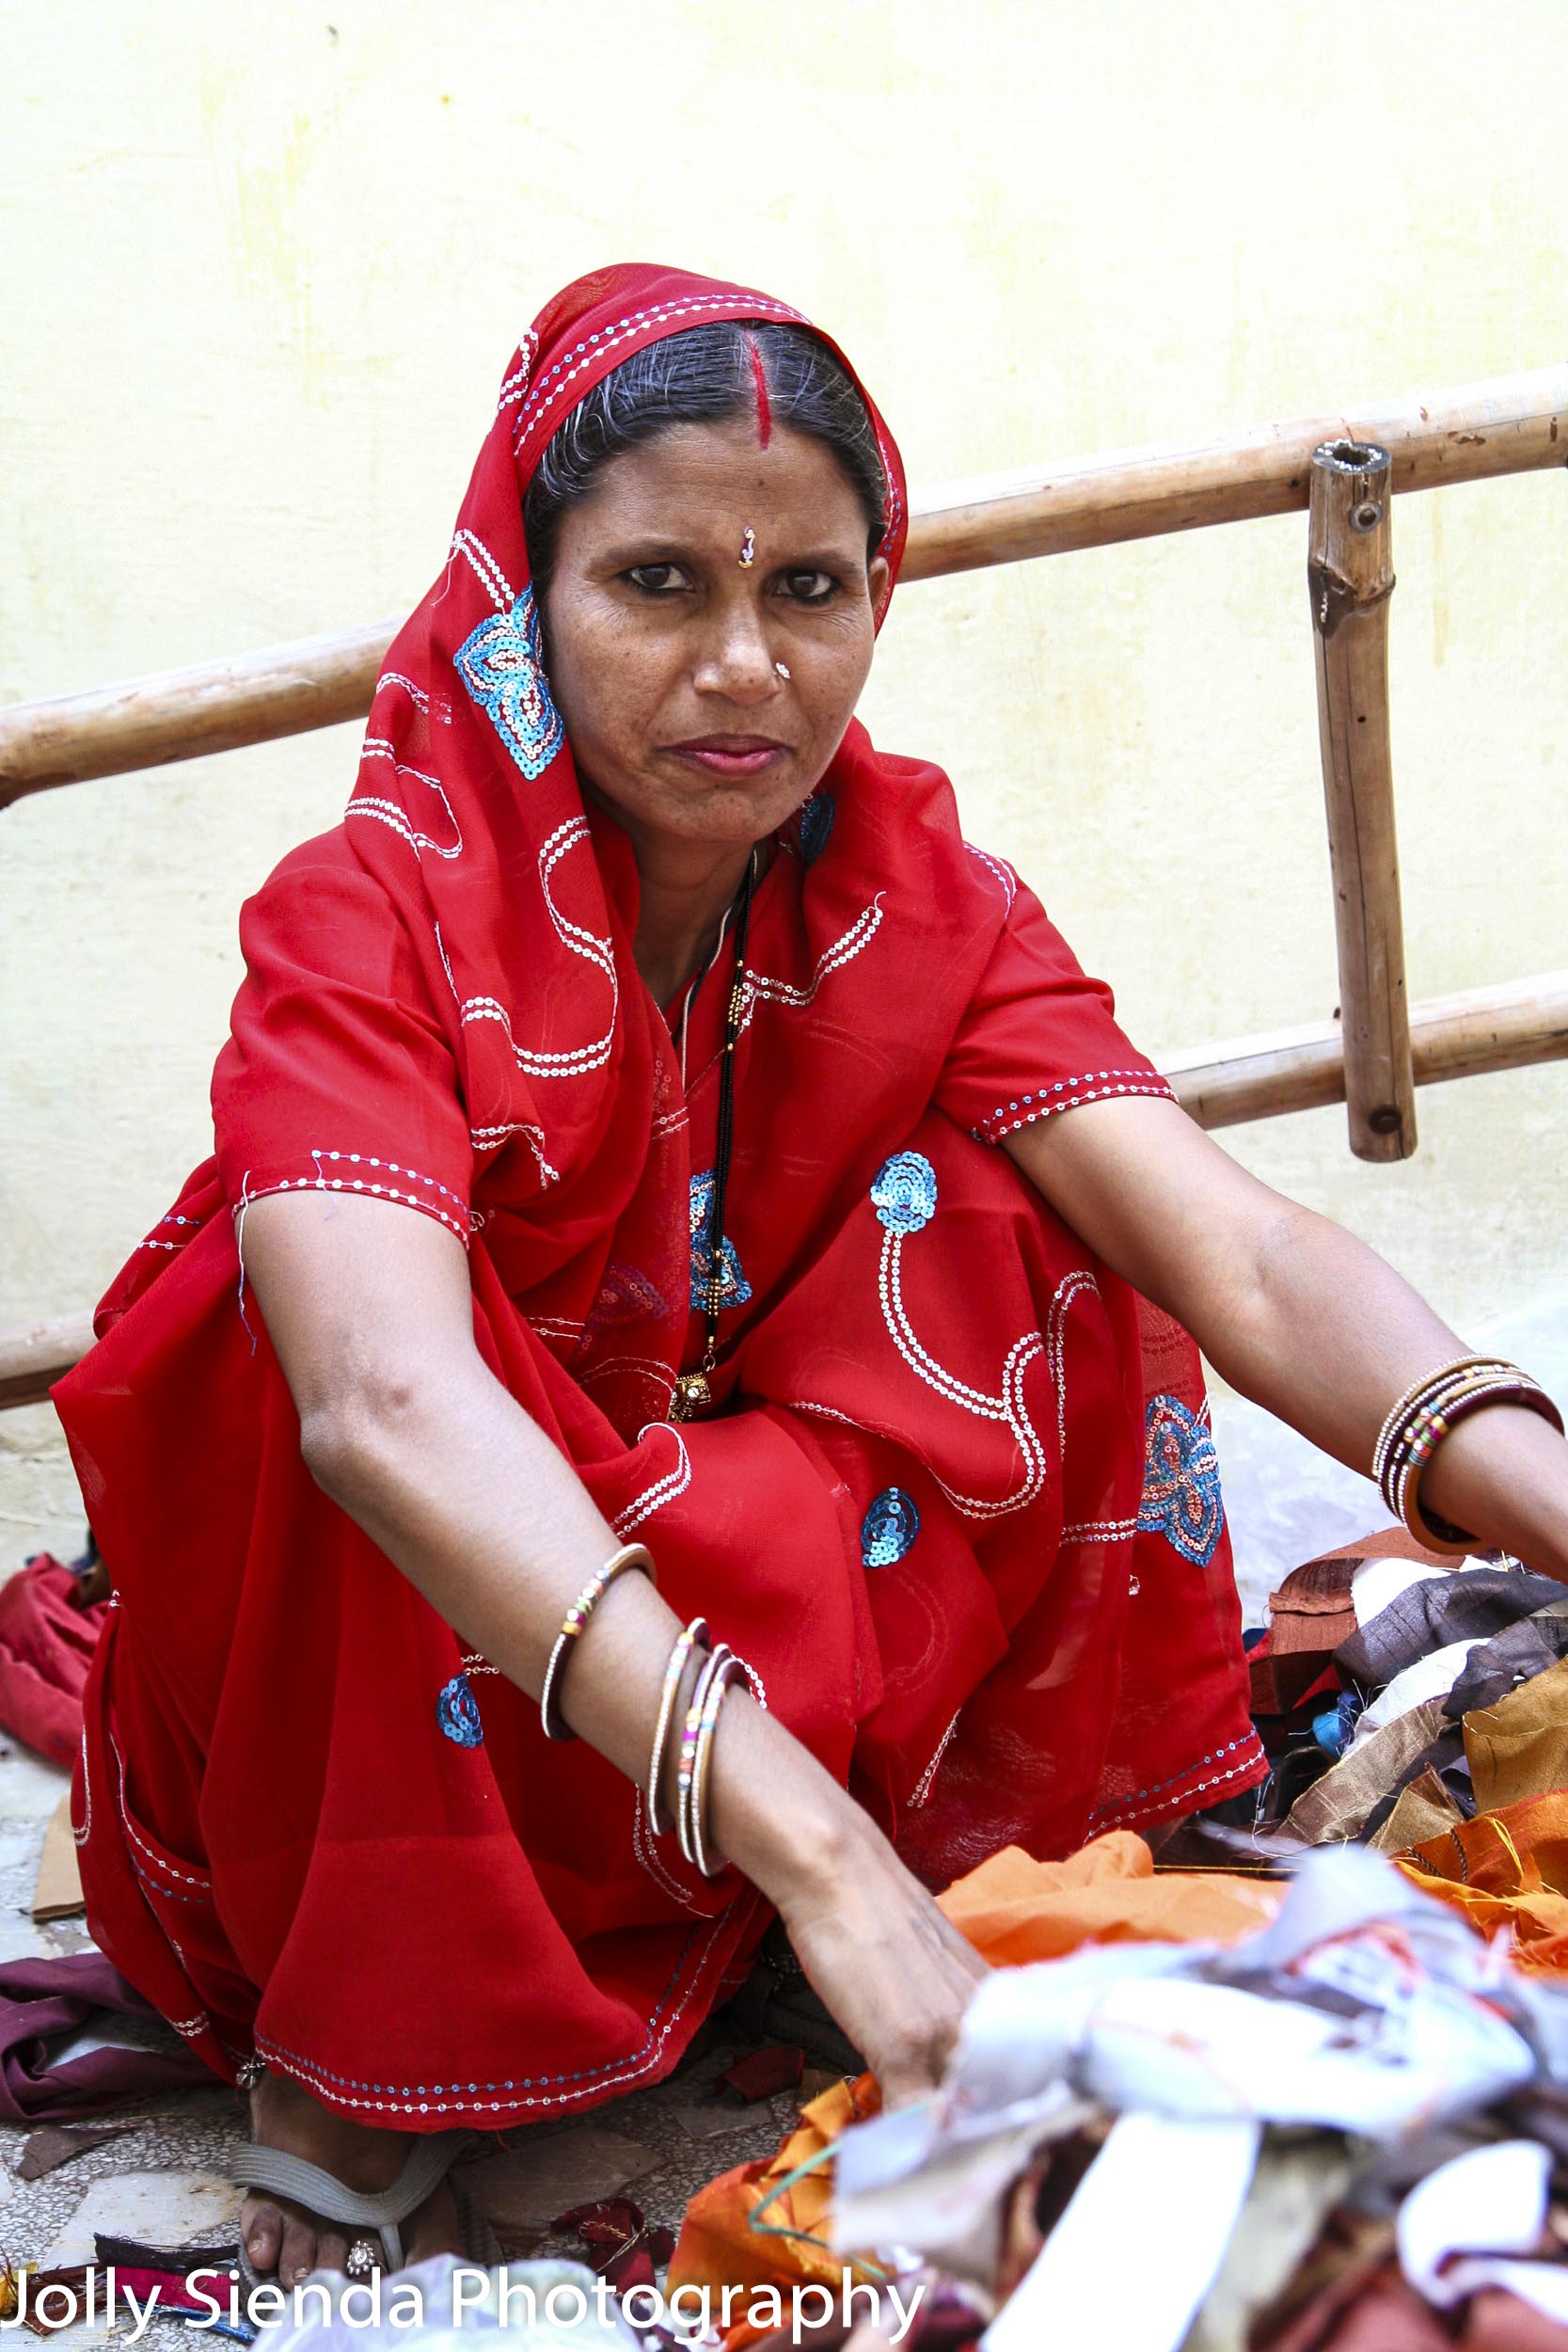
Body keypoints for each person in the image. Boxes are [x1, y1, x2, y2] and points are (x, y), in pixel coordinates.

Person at [55, 263, 1568, 2284]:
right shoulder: (372, 914)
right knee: (313, 1350)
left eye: (812, 589)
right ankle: (397, 2032)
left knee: (1047, 1224)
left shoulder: (910, 894)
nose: (746, 664)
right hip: (426, 1622)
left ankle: (867, 1875)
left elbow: (1240, 1250)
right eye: (661, 582)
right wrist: (835, 1868)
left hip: (695, 1572)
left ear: (879, 592)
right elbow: (386, 1406)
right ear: (528, 591)